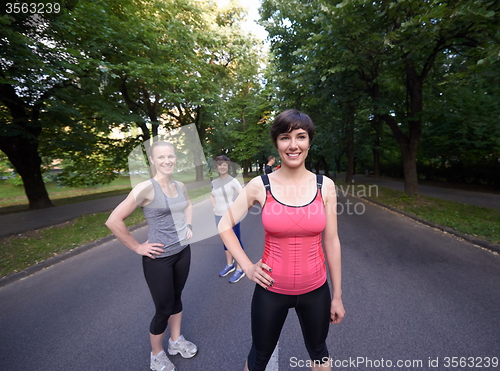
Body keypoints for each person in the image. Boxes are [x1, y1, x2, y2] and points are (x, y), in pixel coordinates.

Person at [218, 109, 345, 371]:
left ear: (309, 141)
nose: (293, 145)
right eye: (285, 138)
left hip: (316, 290)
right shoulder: (259, 185)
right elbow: (224, 224)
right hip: (271, 290)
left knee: (319, 354)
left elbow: (332, 241)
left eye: (301, 136)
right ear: (277, 143)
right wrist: (247, 266)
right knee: (259, 357)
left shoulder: (326, 186)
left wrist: (338, 295)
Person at [105, 141, 197, 371]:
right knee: (163, 308)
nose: (167, 161)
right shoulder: (146, 188)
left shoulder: (180, 185)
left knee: (177, 298)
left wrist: (188, 225)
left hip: (182, 252)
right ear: (153, 161)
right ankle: (156, 354)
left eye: (171, 156)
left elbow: (188, 206)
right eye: (161, 157)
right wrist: (137, 247)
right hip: (159, 259)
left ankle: (175, 342)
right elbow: (113, 221)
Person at [210, 155, 246, 283]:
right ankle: (230, 265)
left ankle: (240, 268)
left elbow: (243, 195)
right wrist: (214, 207)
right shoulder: (214, 182)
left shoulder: (232, 181)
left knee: (235, 240)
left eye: (224, 164)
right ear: (217, 166)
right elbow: (212, 196)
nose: (222, 167)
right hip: (218, 216)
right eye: (220, 164)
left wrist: (236, 210)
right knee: (225, 241)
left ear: (228, 166)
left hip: (231, 216)